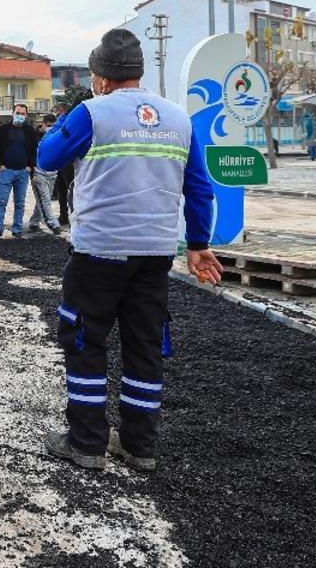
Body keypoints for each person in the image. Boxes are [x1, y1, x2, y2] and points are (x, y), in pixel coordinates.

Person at [37, 28, 221, 472]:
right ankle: (140, 447)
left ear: (99, 76)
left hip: (98, 251)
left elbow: (46, 157)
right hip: (155, 255)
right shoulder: (178, 118)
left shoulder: (91, 113)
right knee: (144, 347)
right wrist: (198, 245)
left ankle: (86, 442)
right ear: (138, 72)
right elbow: (199, 188)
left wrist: (67, 121)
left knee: (85, 342)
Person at [0, 102, 38, 238]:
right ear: (13, 113)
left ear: (26, 115)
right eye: (18, 113)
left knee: (20, 203)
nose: (20, 116)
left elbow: (34, 150)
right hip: (6, 171)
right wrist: (0, 165)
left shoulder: (29, 131)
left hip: (23, 172)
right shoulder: (4, 129)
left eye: (22, 114)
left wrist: (30, 167)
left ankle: (17, 230)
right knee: (1, 202)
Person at [28, 113, 64, 233]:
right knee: (45, 199)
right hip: (38, 173)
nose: (50, 128)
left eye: (53, 126)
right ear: (43, 124)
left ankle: (34, 221)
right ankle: (52, 223)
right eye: (48, 125)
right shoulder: (34, 137)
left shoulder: (56, 136)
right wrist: (31, 170)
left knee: (44, 199)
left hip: (52, 173)